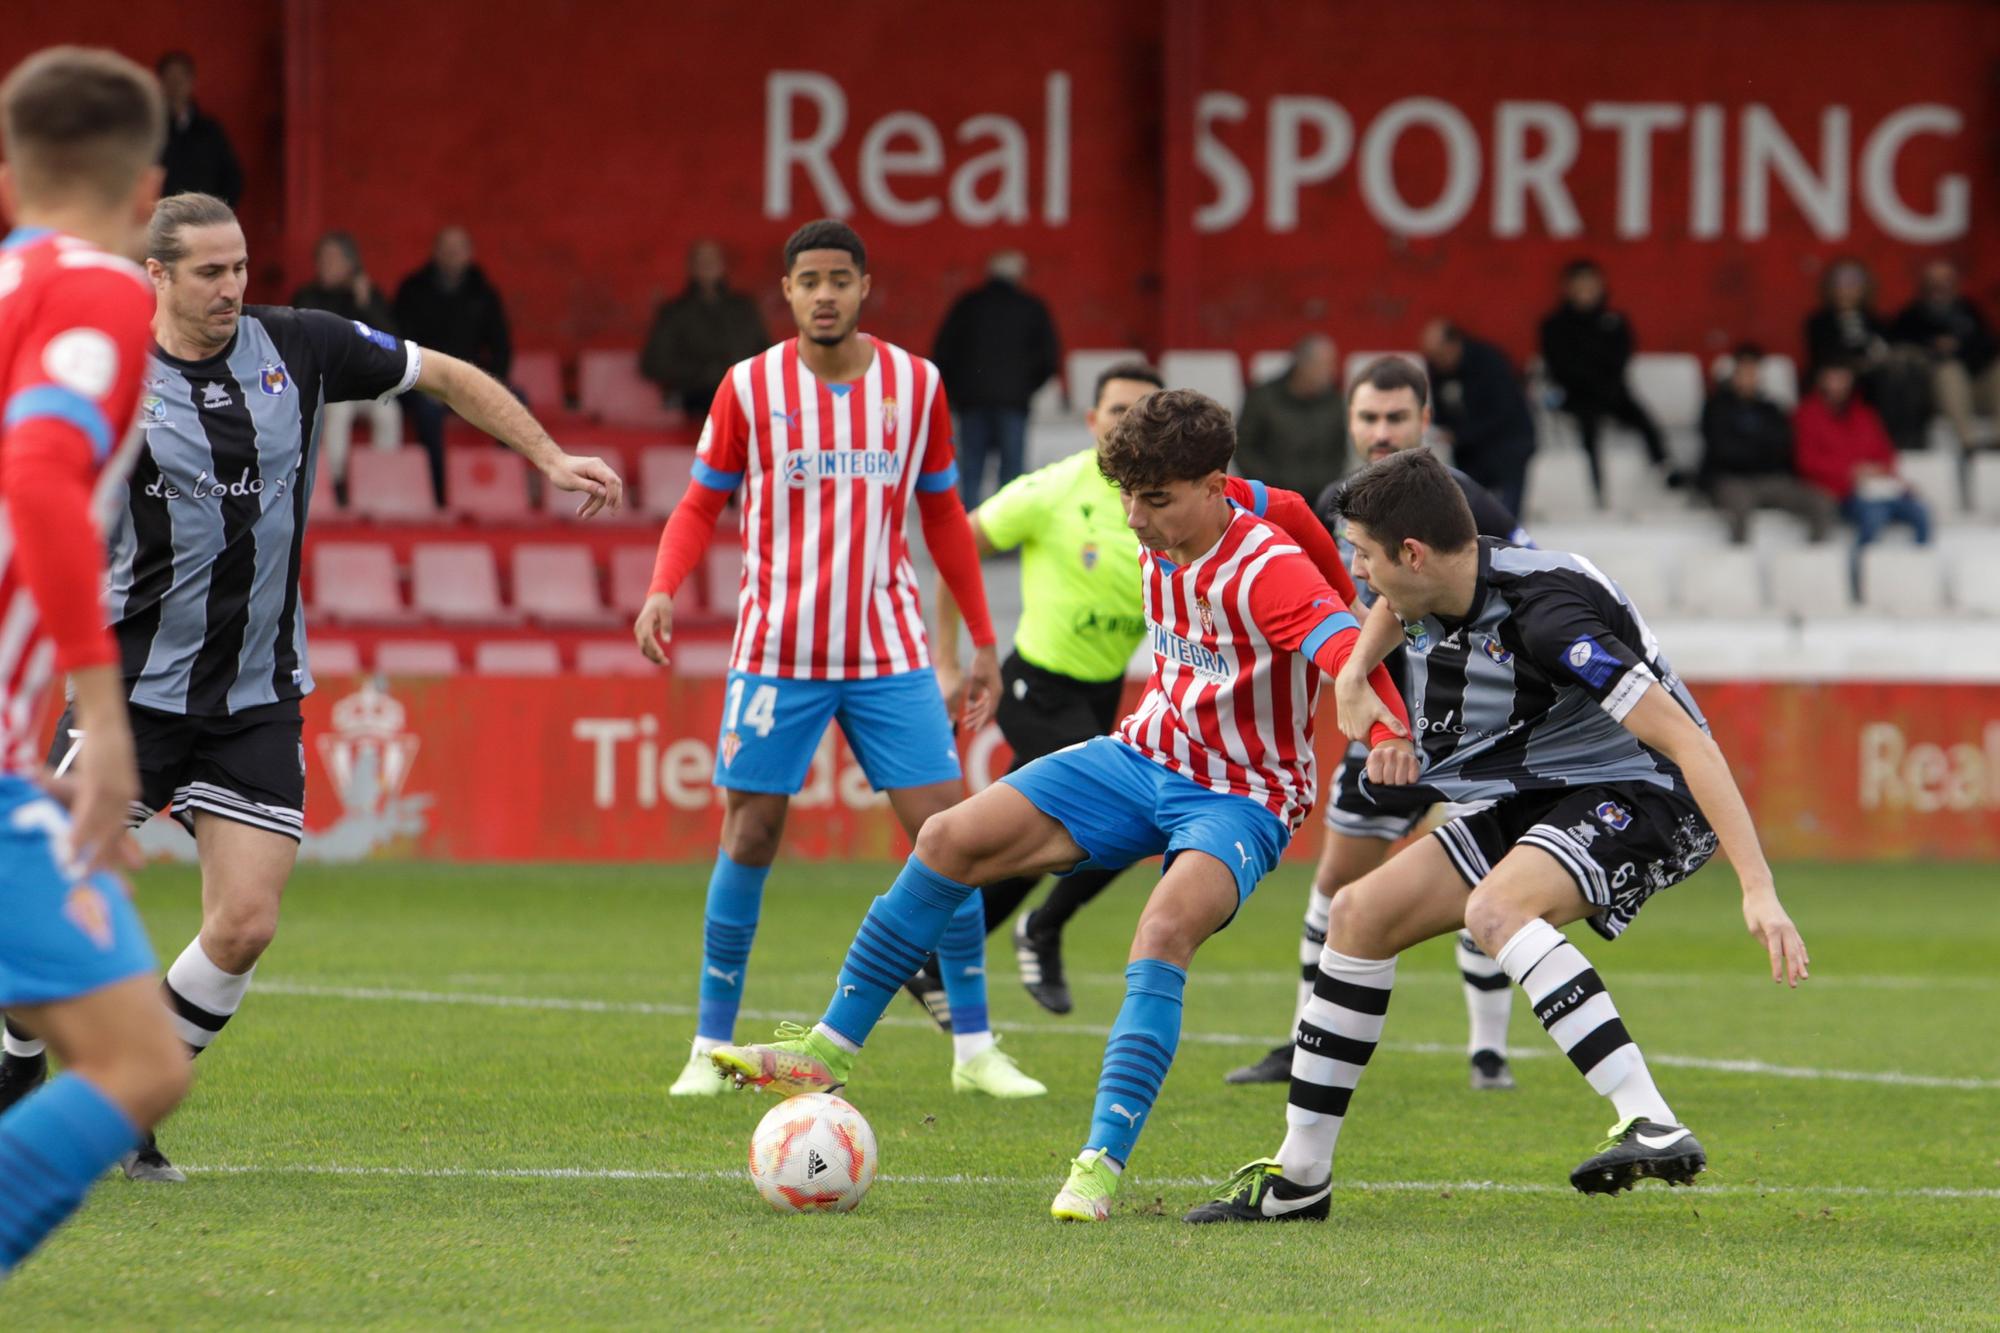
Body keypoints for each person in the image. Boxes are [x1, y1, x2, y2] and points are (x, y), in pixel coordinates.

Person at [0, 192, 623, 1182]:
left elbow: (443, 373)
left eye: (240, 267)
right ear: (155, 275)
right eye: (208, 271)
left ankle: (125, 1098)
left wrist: (543, 454)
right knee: (43, 919)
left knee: (245, 922)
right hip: (128, 694)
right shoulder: (110, 367)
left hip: (255, 694)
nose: (231, 288)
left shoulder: (299, 346)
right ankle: (21, 1056)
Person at [706, 389, 1413, 1225]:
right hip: (1144, 752)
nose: (1136, 518)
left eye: (1155, 500)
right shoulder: (1203, 507)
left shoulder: (1266, 570)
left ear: (1215, 485)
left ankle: (1099, 1164)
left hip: (1243, 794)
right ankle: (826, 1051)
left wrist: (1389, 719)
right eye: (1127, 496)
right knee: (945, 837)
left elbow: (1345, 646)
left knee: (1160, 934)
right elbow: (1291, 501)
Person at [1185, 448, 1810, 1223]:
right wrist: (1354, 681)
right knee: (1357, 914)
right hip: (1546, 789)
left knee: (1496, 911)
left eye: (1365, 557)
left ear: (1411, 552)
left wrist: (1759, 888)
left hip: (1649, 789)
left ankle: (1651, 1119)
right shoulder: (1439, 575)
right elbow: (1390, 606)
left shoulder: (1551, 616)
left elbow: (1690, 742)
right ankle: (1301, 1177)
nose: (1359, 575)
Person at [635, 220, 1045, 1102]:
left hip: (888, 650)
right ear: (785, 292)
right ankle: (708, 1045)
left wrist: (978, 635)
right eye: (808, 280)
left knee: (953, 836)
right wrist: (664, 585)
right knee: (750, 833)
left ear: (865, 288)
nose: (824, 294)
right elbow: (700, 504)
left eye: (840, 279)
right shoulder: (749, 387)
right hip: (777, 651)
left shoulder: (916, 384)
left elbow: (943, 516)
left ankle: (974, 1047)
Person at [925, 366, 1371, 1021]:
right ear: (1092, 421)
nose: (1124, 421)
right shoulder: (1059, 488)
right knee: (1070, 824)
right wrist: (961, 653)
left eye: (1138, 409)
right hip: (1035, 680)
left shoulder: (1177, 512)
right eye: (1114, 409)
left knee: (1067, 836)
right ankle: (1017, 934)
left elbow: (1292, 511)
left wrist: (1343, 605)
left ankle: (975, 945)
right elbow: (957, 541)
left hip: (1105, 692)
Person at [0, 46, 190, 1270]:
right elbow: (40, 467)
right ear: (146, 192)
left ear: (10, 175)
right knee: (136, 1059)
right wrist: (103, 722)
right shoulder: (110, 293)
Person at [1227, 354, 1529, 1089]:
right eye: (1368, 417)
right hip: (1387, 733)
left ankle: (1489, 1053)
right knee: (1337, 882)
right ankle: (1303, 1039)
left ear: (1426, 420)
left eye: (1397, 417)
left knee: (1486, 880)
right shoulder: (1337, 501)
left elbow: (1526, 594)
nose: (1382, 431)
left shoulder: (1471, 506)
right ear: (1350, 421)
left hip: (1476, 731)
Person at [393, 226, 513, 504]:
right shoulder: (412, 290)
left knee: (516, 402)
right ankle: (437, 491)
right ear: (434, 252)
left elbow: (501, 346)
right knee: (426, 413)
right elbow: (399, 343)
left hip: (470, 380)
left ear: (469, 254)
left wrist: (493, 385)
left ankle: (507, 480)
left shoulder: (484, 293)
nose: (452, 255)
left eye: (458, 249)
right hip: (422, 381)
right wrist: (422, 381)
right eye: (446, 248)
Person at [929, 251, 1060, 505]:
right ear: (1019, 274)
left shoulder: (968, 304)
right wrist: (1024, 388)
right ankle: (1006, 538)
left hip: (972, 403)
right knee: (1012, 473)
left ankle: (968, 534)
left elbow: (943, 352)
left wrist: (958, 393)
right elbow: (1049, 359)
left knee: (971, 471)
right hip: (1013, 403)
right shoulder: (1031, 307)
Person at [1538, 259, 1673, 502]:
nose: (1586, 292)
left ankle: (1665, 468)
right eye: (1580, 286)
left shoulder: (1614, 321)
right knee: (1589, 426)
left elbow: (1620, 359)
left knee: (1642, 417)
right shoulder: (1555, 325)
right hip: (1574, 394)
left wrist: (1603, 380)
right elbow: (1560, 365)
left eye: (1591, 285)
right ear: (1568, 289)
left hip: (1610, 391)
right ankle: (1597, 490)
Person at [1793, 360, 1932, 590]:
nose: (1838, 384)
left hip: (1879, 487)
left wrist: (1878, 472)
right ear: (1821, 380)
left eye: (1843, 377)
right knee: (1873, 517)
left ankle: (1918, 580)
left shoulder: (1864, 414)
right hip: (1842, 491)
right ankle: (1861, 582)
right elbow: (1806, 461)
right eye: (1833, 377)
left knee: (1921, 514)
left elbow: (1886, 455)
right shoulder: (1807, 414)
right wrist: (1850, 472)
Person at [291, 231, 400, 504]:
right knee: (337, 412)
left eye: (334, 259)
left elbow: (391, 342)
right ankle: (336, 483)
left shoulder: (367, 295)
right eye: (322, 258)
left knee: (389, 412)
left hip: (366, 384)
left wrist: (365, 304)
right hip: (330, 384)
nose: (325, 264)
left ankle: (379, 483)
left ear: (351, 264)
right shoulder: (308, 296)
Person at [1699, 344, 1835, 545]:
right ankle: (1739, 563)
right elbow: (1722, 450)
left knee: (1822, 502)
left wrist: (1753, 449)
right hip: (1731, 479)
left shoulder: (1771, 409)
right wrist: (1760, 450)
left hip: (1771, 479)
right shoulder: (1716, 408)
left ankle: (1813, 559)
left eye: (1753, 372)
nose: (1748, 378)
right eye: (1743, 372)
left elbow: (1783, 445)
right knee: (1739, 508)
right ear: (1733, 375)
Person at [1803, 258, 1931, 452]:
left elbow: (1889, 348)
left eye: (1854, 283)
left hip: (1882, 375)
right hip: (1846, 375)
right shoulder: (1819, 322)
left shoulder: (1876, 321)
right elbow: (1825, 356)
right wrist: (1860, 361)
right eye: (1842, 283)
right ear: (1830, 287)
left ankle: (1910, 437)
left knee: (1905, 367)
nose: (1848, 289)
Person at [639, 239, 770, 418]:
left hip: (743, 398)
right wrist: (704, 374)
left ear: (723, 264)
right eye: (702, 260)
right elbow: (654, 363)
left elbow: (766, 355)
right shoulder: (675, 312)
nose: (708, 266)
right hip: (692, 402)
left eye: (713, 259)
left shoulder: (744, 309)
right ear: (691, 266)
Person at [1420, 323, 1537, 517]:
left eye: (1439, 353)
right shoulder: (1437, 371)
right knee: (1469, 514)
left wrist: (1458, 434)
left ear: (1454, 344)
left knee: (1507, 513)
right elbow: (1440, 409)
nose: (1436, 360)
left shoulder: (1489, 362)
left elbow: (1502, 412)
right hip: (1470, 453)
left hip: (1509, 446)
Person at [1891, 259, 1999, 453]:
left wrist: (1960, 346)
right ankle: (1968, 442)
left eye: (1945, 280)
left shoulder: (1969, 310)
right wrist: (1934, 347)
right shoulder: (1911, 315)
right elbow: (1901, 349)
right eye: (1934, 280)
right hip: (1937, 391)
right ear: (1924, 284)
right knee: (1950, 370)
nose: (1940, 286)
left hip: (1975, 383)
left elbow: (1989, 345)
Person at [1233, 333, 1345, 497]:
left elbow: (1339, 452)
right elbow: (1243, 447)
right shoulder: (1263, 398)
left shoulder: (1334, 402)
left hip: (1318, 500)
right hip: (1270, 498)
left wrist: (1322, 484)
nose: (1332, 371)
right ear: (1304, 364)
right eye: (1325, 365)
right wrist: (1270, 484)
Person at [154, 52, 241, 205]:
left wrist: (214, 215)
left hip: (201, 221)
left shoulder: (209, 131)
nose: (175, 86)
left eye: (180, 80)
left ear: (191, 82)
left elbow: (232, 180)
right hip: (158, 221)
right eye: (170, 79)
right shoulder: (150, 130)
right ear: (160, 82)